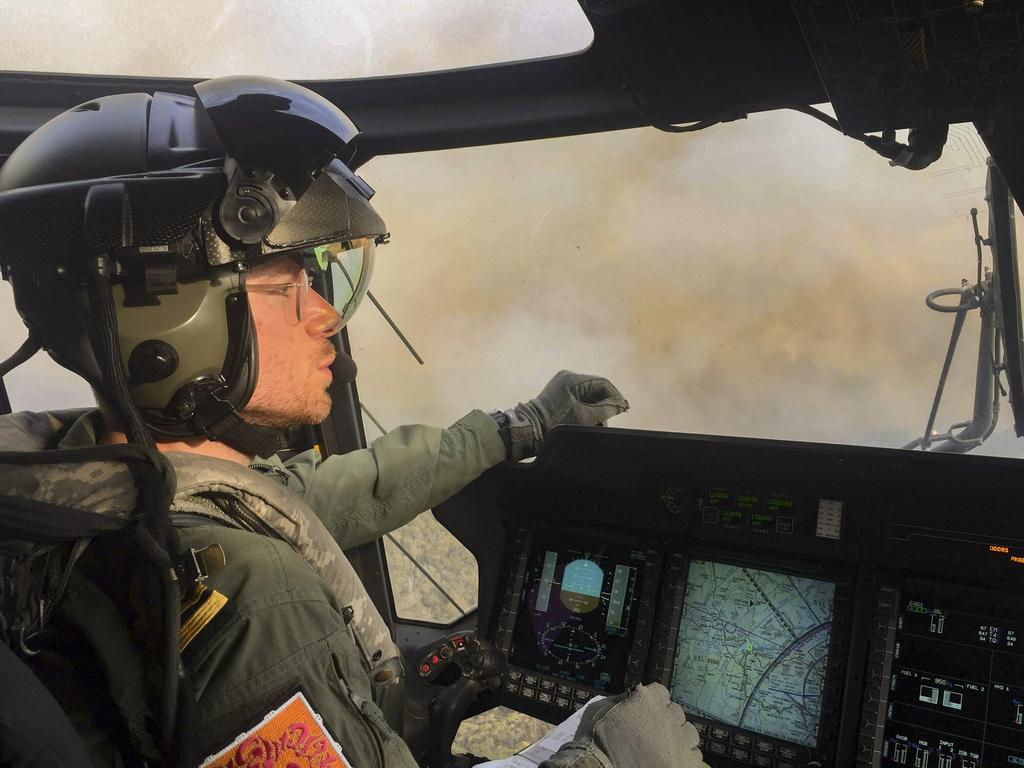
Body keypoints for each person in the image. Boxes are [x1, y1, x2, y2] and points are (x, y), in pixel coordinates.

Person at [0, 77, 706, 768]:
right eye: (286, 286)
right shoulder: (253, 600)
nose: (326, 315)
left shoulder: (81, 483)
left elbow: (326, 493)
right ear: (169, 321)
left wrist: (521, 425)